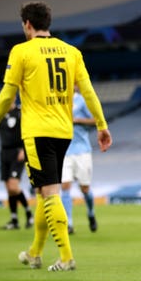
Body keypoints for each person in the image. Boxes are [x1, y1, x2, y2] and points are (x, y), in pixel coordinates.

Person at [0, 1, 112, 272]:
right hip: (63, 131)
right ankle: (34, 253)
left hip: (37, 132)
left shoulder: (21, 51)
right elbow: (88, 91)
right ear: (48, 23)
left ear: (27, 24)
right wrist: (102, 124)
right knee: (44, 192)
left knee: (49, 191)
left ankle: (66, 257)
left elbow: (8, 94)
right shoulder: (71, 52)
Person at [61, 86, 98, 235]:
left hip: (82, 150)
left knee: (85, 189)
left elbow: (96, 120)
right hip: (64, 151)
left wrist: (76, 120)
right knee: (65, 186)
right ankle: (68, 223)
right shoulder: (58, 101)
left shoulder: (82, 101)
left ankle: (90, 212)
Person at [0, 97, 33, 230]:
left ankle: (29, 213)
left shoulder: (20, 112)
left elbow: (28, 129)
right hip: (4, 153)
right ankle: (14, 220)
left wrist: (24, 148)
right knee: (9, 188)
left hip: (17, 152)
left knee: (13, 186)